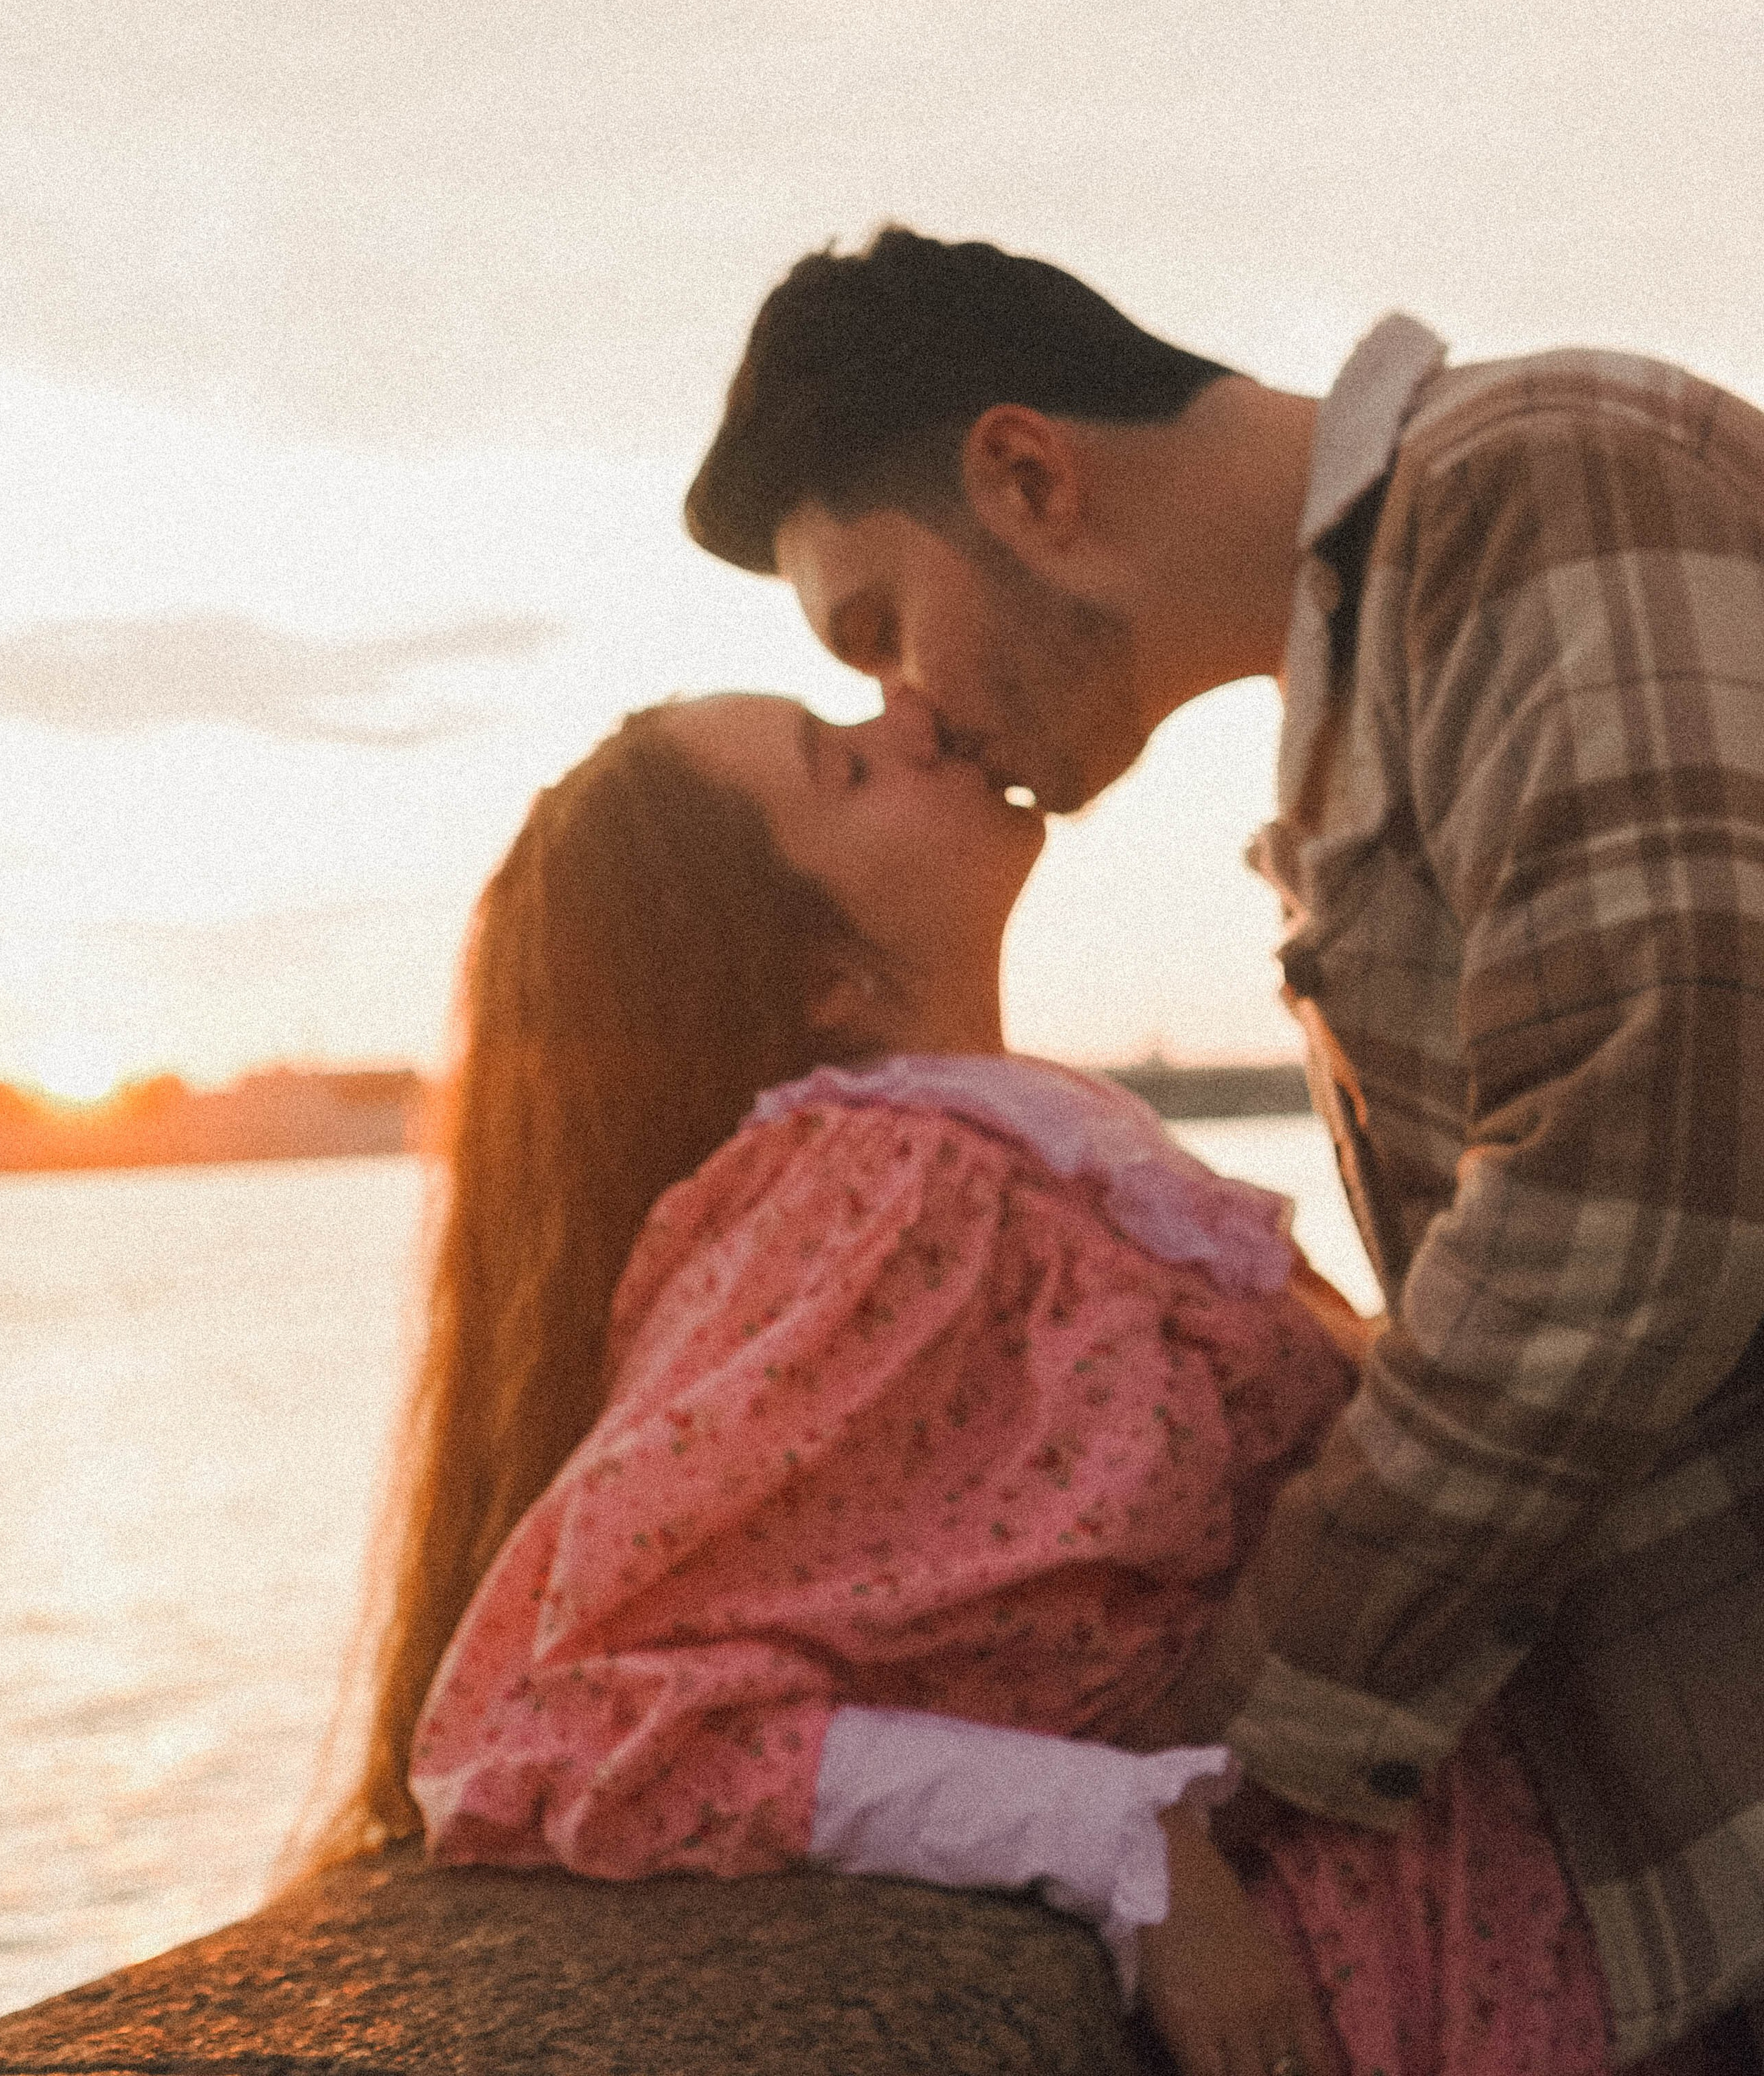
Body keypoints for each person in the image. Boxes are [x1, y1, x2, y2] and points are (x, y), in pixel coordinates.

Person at [682, 225, 1764, 2070]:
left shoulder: (1536, 476)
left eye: (877, 629)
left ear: (1025, 475)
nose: (911, 713)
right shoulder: (1369, 683)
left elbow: (1641, 1187)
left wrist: (1207, 1755)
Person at [326, 690, 1635, 2076]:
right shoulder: (874, 1191)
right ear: (825, 978)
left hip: (1481, 1910)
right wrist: (1104, 1834)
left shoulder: (1019, 1152)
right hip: (1363, 1979)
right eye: (842, 767)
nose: (910, 719)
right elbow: (546, 1727)